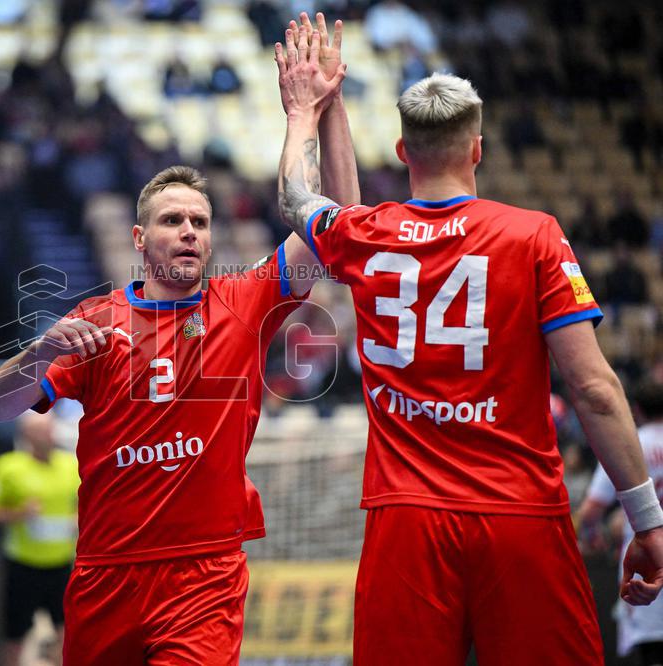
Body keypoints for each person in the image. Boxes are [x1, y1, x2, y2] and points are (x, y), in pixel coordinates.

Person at [273, 14, 663, 665]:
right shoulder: (534, 235)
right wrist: (646, 518)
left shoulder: (372, 235)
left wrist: (309, 107)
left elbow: (297, 197)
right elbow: (593, 390)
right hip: (519, 512)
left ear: (403, 154)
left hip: (407, 520)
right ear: (477, 149)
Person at [0, 44, 355, 658]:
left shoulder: (245, 300)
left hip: (203, 575)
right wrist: (39, 349)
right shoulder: (93, 323)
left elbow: (335, 225)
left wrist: (314, 113)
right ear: (139, 238)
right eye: (172, 220)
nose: (188, 232)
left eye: (200, 223)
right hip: (107, 574)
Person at [0, 411, 79, 666]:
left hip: (62, 565)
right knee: (14, 637)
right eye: (41, 429)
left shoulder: (71, 465)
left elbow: (88, 503)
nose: (49, 433)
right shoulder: (6, 467)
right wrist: (19, 513)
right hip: (22, 565)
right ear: (27, 435)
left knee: (68, 635)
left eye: (50, 427)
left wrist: (77, 518)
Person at [579, 381, 663, 666]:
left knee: (652, 652)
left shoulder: (631, 444)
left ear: (636, 410)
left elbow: (591, 510)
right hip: (649, 559)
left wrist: (593, 534)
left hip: (647, 567)